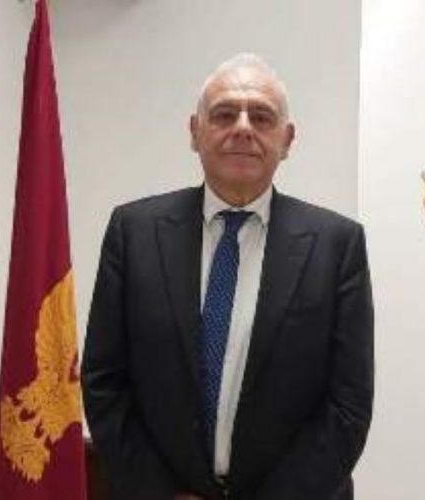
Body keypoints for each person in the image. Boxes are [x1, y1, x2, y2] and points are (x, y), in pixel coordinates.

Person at [81, 53, 374, 500]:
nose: (242, 128)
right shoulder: (133, 232)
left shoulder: (337, 246)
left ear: (286, 139)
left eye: (261, 116)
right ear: (195, 132)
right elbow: (104, 380)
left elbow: (348, 403)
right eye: (223, 114)